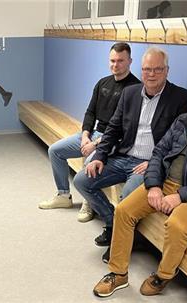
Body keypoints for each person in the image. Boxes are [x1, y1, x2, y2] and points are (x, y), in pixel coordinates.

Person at [92, 72, 187, 297]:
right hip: (166, 184)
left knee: (176, 224)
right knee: (124, 210)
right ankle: (118, 274)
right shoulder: (184, 120)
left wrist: (181, 196)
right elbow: (158, 153)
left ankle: (164, 275)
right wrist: (155, 185)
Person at [74, 46, 187, 262]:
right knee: (82, 180)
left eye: (158, 69)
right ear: (141, 69)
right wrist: (100, 156)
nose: (151, 74)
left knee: (126, 197)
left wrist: (155, 163)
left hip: (149, 164)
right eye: (147, 69)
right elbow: (113, 128)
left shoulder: (182, 99)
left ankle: (120, 240)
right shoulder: (130, 93)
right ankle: (114, 225)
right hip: (123, 157)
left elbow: (180, 142)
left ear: (167, 71)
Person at [38, 42, 141, 224]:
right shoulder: (103, 83)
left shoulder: (135, 89)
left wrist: (96, 143)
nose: (115, 65)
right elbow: (90, 112)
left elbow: (125, 129)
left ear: (130, 61)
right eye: (112, 60)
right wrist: (85, 135)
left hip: (112, 141)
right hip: (92, 133)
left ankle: (89, 203)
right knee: (55, 150)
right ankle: (63, 195)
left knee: (89, 162)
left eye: (120, 61)